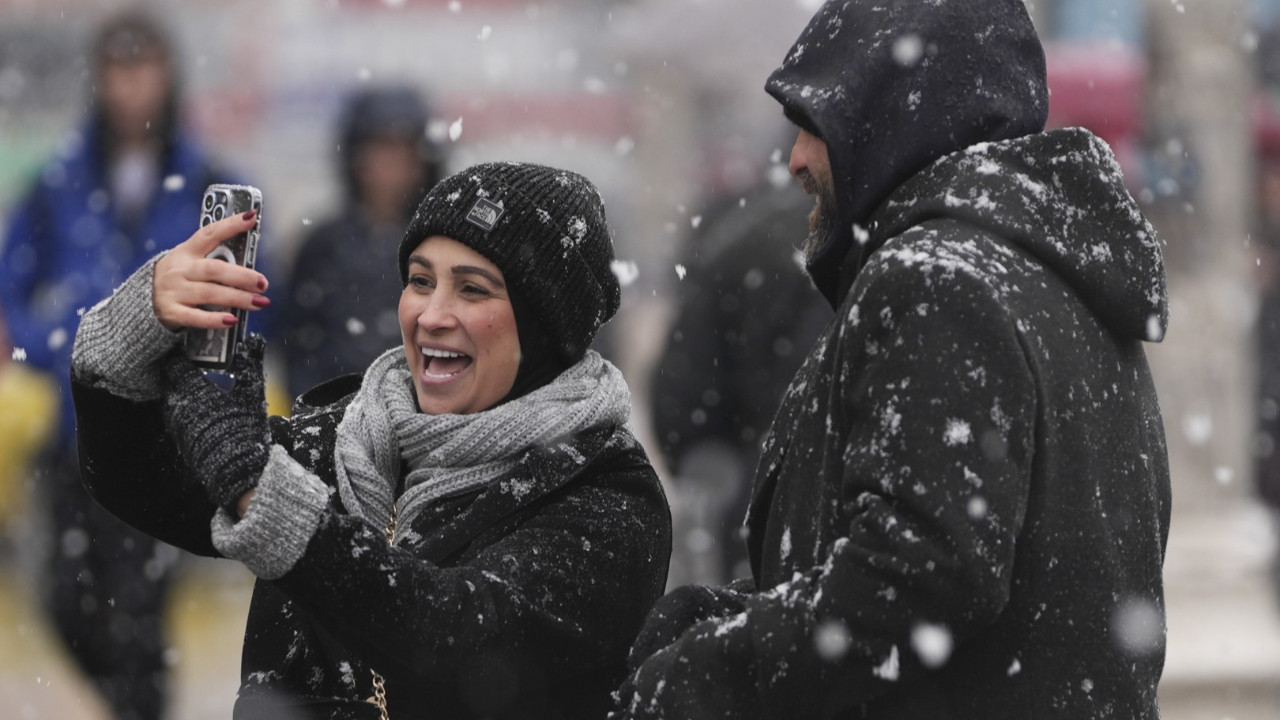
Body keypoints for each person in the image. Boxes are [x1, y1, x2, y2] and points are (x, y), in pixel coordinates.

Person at [615, 0, 1171, 717]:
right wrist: (722, 621)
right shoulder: (1058, 274)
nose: (795, 160)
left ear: (894, 122)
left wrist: (711, 672)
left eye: (815, 125)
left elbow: (921, 574)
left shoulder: (935, 279)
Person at [70, 161, 672, 718]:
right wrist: (140, 317)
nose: (431, 314)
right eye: (419, 280)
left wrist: (258, 490)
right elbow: (134, 478)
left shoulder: (610, 497)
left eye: (473, 289)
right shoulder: (344, 437)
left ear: (546, 327)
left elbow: (457, 641)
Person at [0, 10, 241, 719]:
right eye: (119, 69)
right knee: (63, 598)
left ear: (168, 78)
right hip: (71, 427)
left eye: (144, 69)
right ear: (99, 80)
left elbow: (254, 294)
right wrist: (59, 343)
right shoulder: (55, 181)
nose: (131, 86)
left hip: (157, 430)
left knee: (139, 615)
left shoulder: (210, 181)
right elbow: (12, 287)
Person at [649, 181, 829, 585]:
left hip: (752, 493)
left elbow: (681, 391)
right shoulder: (868, 238)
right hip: (835, 497)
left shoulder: (742, 236)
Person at [281, 85, 445, 399]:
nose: (394, 162)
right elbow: (297, 348)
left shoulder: (443, 243)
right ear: (357, 157)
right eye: (382, 147)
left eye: (405, 148)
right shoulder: (322, 245)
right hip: (336, 420)